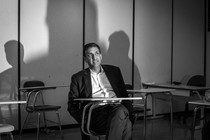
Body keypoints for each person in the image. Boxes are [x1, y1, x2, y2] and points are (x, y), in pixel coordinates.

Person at [67, 43, 134, 140]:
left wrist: (131, 114)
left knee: (125, 119)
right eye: (90, 55)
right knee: (123, 116)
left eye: (97, 53)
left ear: (101, 56)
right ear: (85, 59)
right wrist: (84, 120)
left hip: (116, 109)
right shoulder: (78, 78)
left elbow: (124, 95)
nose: (94, 57)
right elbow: (71, 106)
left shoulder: (114, 71)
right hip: (96, 113)